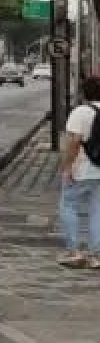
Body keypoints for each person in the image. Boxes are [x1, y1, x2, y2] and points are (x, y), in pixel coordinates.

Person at [58, 75, 100, 270]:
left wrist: (67, 167)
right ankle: (96, 255)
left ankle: (74, 251)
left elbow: (74, 142)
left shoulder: (80, 112)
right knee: (97, 211)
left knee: (69, 206)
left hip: (82, 169)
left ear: (84, 92)